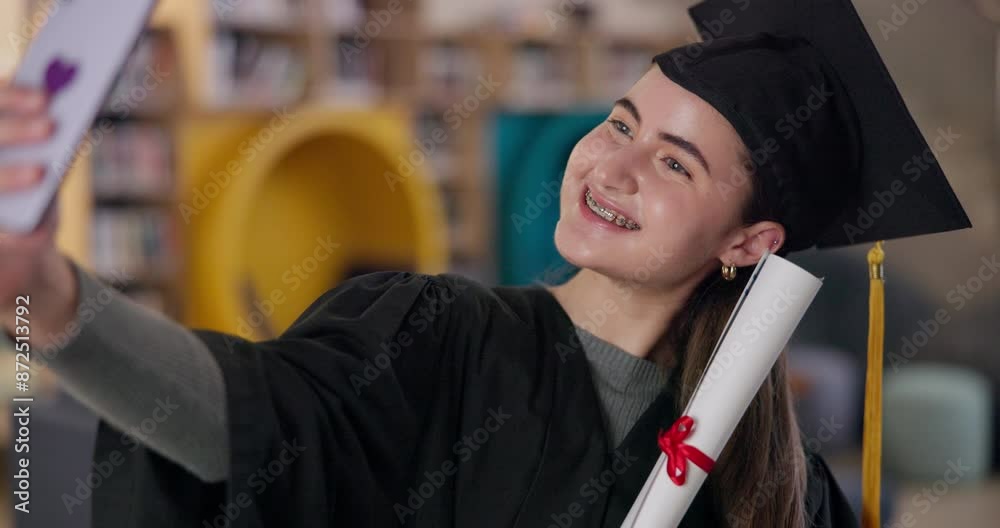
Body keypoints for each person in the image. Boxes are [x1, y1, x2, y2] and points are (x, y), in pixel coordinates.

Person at [0, 0, 972, 526]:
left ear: (749, 244)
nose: (612, 166)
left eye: (675, 163)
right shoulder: (435, 334)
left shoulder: (777, 484)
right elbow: (251, 422)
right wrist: (51, 302)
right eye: (622, 123)